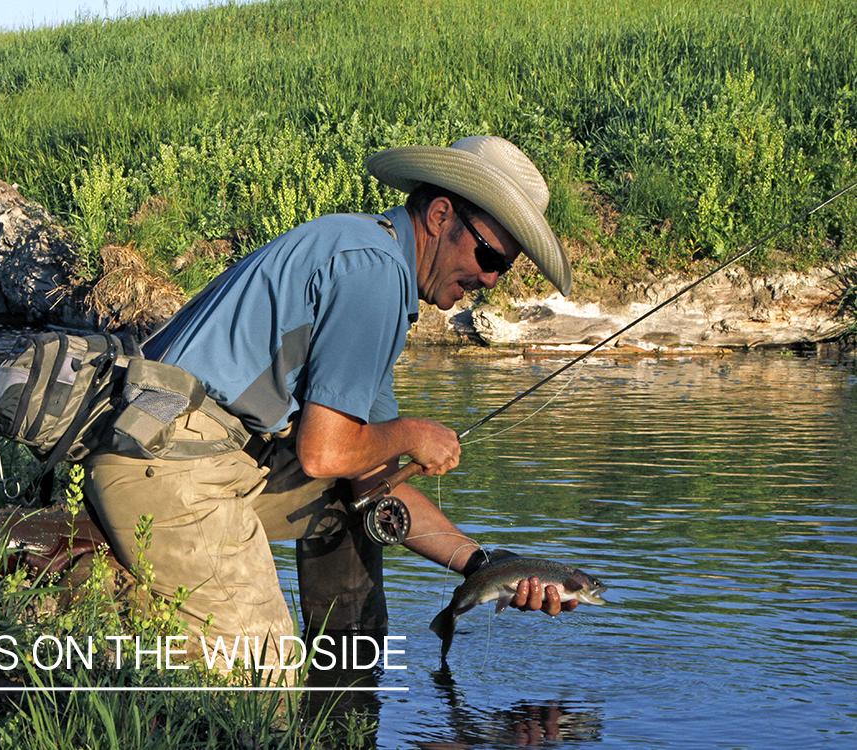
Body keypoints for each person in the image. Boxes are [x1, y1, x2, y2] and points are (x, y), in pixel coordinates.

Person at [83, 136, 578, 672]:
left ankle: (342, 698)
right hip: (169, 466)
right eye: (487, 256)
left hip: (176, 451)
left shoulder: (369, 252)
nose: (488, 279)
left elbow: (369, 476)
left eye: (503, 267)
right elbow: (323, 453)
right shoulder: (374, 275)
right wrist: (414, 434)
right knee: (261, 681)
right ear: (440, 215)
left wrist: (483, 564)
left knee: (355, 508)